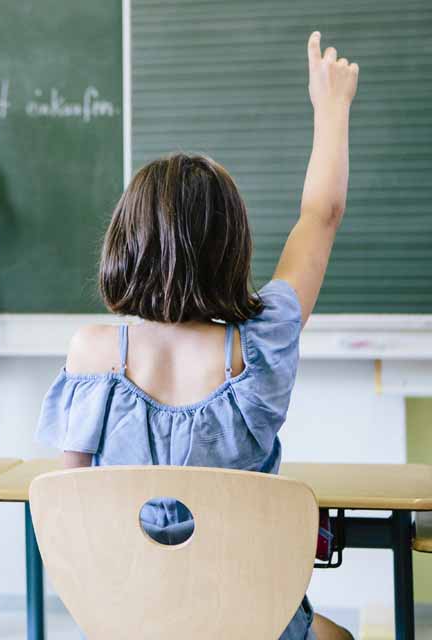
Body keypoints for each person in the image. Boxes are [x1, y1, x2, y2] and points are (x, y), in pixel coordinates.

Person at [36, 32, 357, 640]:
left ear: (125, 242)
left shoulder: (92, 352)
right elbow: (321, 215)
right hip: (252, 619)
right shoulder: (264, 340)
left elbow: (69, 506)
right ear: (231, 247)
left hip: (128, 618)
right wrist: (331, 109)